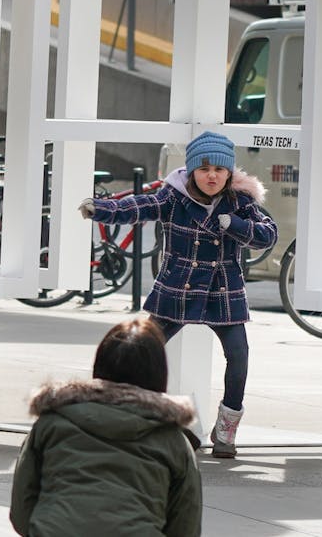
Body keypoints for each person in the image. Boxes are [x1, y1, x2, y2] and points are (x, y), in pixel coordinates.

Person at [78, 131, 276, 458]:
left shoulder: (240, 201)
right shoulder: (174, 197)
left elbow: (267, 235)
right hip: (178, 287)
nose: (212, 175)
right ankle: (118, 414)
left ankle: (226, 428)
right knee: (137, 350)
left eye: (219, 169)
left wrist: (235, 225)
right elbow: (139, 206)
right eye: (204, 168)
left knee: (239, 356)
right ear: (192, 170)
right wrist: (102, 210)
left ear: (229, 172)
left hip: (222, 288)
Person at [10, 318, 202, 537]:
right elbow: (186, 525)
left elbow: (22, 508)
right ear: (159, 375)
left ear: (99, 366)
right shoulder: (174, 441)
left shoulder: (51, 424)